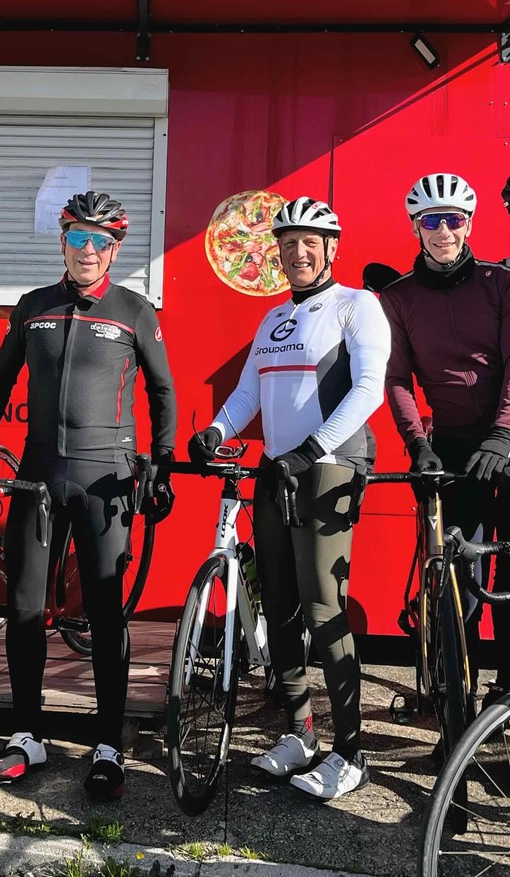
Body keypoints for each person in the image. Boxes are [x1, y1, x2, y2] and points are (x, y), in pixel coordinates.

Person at [0, 191, 176, 802]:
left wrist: (161, 467)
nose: (88, 251)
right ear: (62, 243)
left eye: (100, 241)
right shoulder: (34, 306)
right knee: (24, 607)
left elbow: (163, 392)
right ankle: (27, 735)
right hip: (39, 474)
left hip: (105, 478)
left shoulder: (134, 310)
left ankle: (108, 745)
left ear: (115, 250)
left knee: (106, 613)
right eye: (78, 238)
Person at [191, 196, 391, 801]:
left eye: (309, 243)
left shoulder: (357, 305)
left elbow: (369, 389)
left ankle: (350, 752)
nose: (297, 253)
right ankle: (300, 732)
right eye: (287, 245)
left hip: (329, 464)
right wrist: (216, 432)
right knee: (277, 603)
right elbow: (248, 392)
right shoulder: (273, 318)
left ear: (331, 249)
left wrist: (313, 447)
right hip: (278, 467)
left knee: (323, 607)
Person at [379, 172, 510, 709]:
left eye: (454, 219)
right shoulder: (399, 296)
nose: (443, 230)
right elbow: (397, 378)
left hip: (508, 445)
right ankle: (455, 699)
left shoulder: (500, 283)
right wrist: (417, 444)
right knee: (459, 578)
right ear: (416, 228)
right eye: (432, 221)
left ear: (469, 224)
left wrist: (504, 433)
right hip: (447, 448)